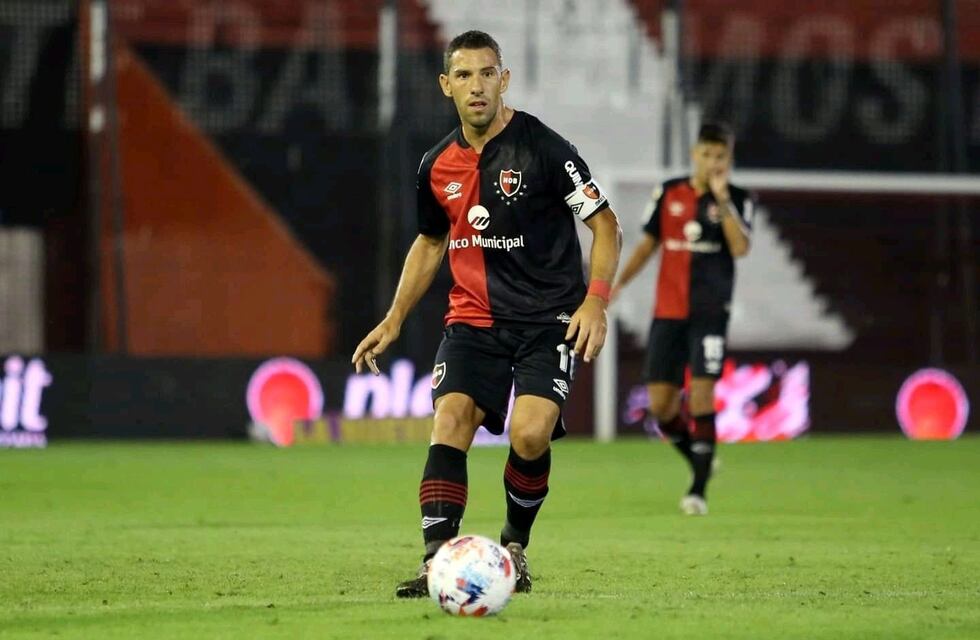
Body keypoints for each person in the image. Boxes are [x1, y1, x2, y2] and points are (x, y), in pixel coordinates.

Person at [351, 30, 622, 597]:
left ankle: (514, 547)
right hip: (472, 321)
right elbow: (430, 242)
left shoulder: (547, 150)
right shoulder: (435, 165)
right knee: (449, 419)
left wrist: (595, 298)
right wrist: (395, 317)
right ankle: (436, 563)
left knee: (529, 434)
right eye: (465, 76)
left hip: (548, 320)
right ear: (446, 86)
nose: (478, 87)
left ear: (505, 80)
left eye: (487, 73)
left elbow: (604, 224)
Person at [611, 122, 753, 516]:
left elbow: (740, 247)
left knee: (703, 394)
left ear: (729, 159)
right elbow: (647, 244)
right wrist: (616, 283)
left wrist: (722, 200)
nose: (712, 162)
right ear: (695, 153)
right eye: (707, 154)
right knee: (661, 406)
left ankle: (698, 490)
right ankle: (699, 458)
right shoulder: (670, 191)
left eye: (720, 156)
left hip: (709, 315)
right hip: (668, 313)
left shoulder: (738, 199)